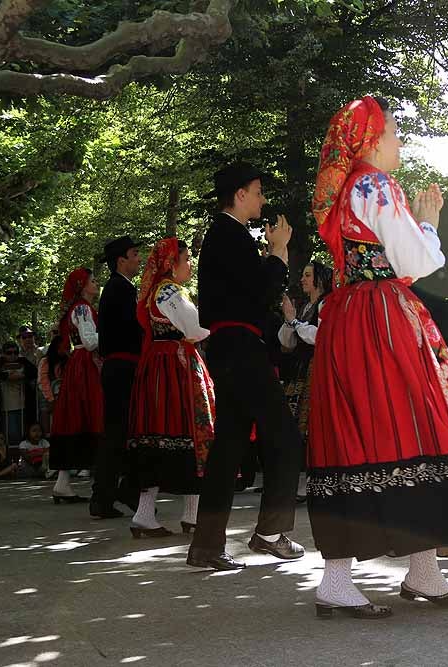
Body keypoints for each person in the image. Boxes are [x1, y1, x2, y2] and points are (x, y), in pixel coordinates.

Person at [309, 96, 448, 619]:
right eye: (396, 134)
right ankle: (343, 579)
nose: (401, 143)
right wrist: (429, 224)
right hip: (381, 320)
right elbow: (416, 261)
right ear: (373, 141)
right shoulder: (374, 184)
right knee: (409, 426)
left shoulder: (349, 189)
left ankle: (422, 571)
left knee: (369, 432)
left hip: (351, 318)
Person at [187, 162, 305, 571]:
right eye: (257, 191)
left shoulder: (224, 235)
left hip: (228, 346)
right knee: (286, 436)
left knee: (230, 445)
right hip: (239, 345)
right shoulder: (230, 234)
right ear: (240, 194)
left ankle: (206, 546)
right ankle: (270, 533)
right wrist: (279, 252)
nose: (263, 199)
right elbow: (261, 292)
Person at [126, 238, 214, 538]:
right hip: (174, 368)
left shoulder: (158, 292)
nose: (190, 264)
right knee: (186, 429)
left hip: (160, 367)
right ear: (171, 264)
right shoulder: (170, 291)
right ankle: (182, 514)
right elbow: (196, 327)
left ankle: (150, 513)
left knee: (158, 433)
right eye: (186, 259)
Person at [92, 236, 144, 519]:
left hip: (120, 368)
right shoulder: (119, 289)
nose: (139, 259)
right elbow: (132, 330)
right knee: (119, 434)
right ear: (121, 260)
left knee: (122, 432)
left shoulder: (119, 289)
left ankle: (116, 493)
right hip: (123, 368)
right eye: (135, 254)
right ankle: (109, 496)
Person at [280, 261, 333, 502]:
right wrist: (290, 321)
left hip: (316, 368)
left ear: (320, 279)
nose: (302, 279)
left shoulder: (326, 303)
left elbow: (320, 337)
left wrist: (295, 323)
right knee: (295, 423)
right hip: (299, 369)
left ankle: (309, 482)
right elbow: (287, 343)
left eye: (308, 275)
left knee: (310, 421)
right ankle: (298, 480)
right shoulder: (305, 307)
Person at [49, 268, 102, 505]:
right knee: (88, 414)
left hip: (81, 364)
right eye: (93, 281)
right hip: (86, 365)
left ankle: (62, 483)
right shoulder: (82, 308)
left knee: (76, 416)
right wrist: (113, 333)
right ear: (82, 286)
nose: (97, 283)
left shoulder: (83, 308)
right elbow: (90, 341)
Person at [0, 341, 38, 445]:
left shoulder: (23, 361)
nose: (13, 355)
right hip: (6, 406)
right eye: (9, 353)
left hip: (24, 405)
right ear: (3, 353)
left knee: (23, 433)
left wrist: (22, 376)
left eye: (15, 352)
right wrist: (6, 377)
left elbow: (34, 371)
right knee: (11, 434)